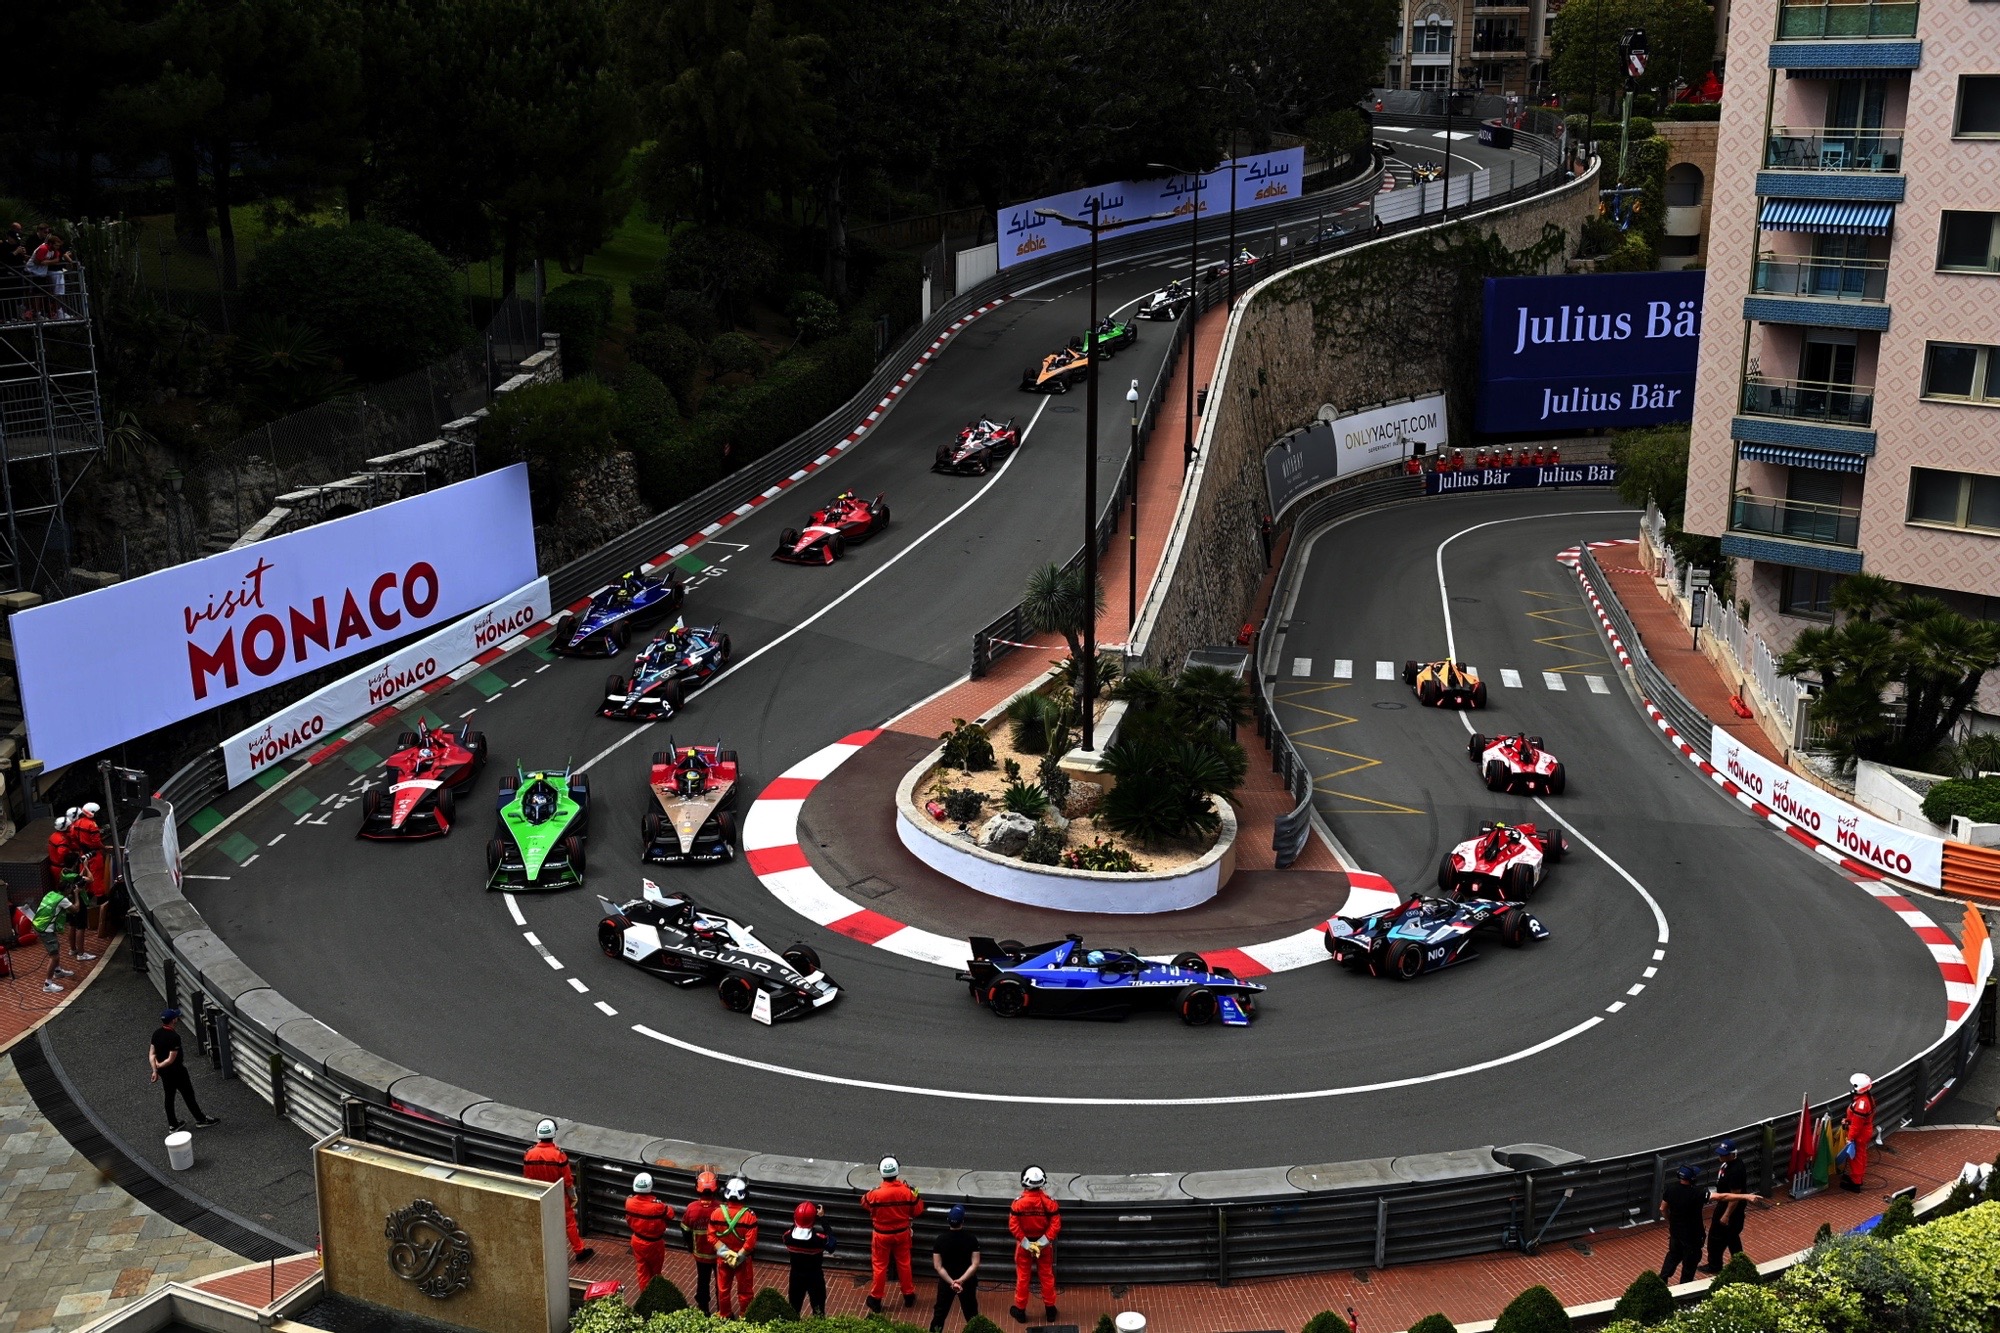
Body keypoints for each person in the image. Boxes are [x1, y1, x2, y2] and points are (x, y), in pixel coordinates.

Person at [522, 1120, 593, 1263]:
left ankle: (540, 1251)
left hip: (538, 1194)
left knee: (540, 1222)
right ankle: (579, 1251)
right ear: (553, 1133)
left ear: (538, 1134)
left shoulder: (529, 1154)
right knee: (569, 1223)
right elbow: (567, 1180)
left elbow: (527, 1178)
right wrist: (573, 1197)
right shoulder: (559, 1155)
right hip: (557, 1195)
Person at [861, 1155, 926, 1311]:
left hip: (881, 1235)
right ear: (897, 1171)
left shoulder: (874, 1194)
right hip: (902, 1234)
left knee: (880, 1266)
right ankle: (908, 1295)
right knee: (904, 1264)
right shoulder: (907, 1191)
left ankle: (876, 1298)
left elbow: (864, 1202)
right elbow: (917, 1210)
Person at [148, 1008, 219, 1130]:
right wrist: (159, 1066)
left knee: (169, 1097)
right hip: (177, 1072)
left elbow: (152, 1053)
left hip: (164, 1073)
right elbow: (171, 1059)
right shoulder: (174, 1037)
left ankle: (172, 1124)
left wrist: (155, 1069)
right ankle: (200, 1119)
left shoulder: (156, 1033)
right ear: (174, 1020)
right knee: (188, 1095)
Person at [1009, 1165, 1061, 1323]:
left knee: (1023, 1278)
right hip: (1044, 1247)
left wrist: (1027, 1244)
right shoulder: (1050, 1203)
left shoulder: (1018, 1204)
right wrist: (1041, 1243)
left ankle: (1020, 1311)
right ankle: (1050, 1310)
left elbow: (1013, 1226)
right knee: (1047, 1277)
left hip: (1025, 1246)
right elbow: (1055, 1225)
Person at [708, 1177, 758, 1319]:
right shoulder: (749, 1216)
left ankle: (724, 1314)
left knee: (723, 1289)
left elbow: (711, 1237)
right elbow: (750, 1243)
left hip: (723, 1258)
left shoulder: (716, 1213)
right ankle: (744, 1314)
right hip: (743, 1260)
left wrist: (727, 1255)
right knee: (745, 1290)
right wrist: (737, 1258)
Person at [1701, 1139, 1755, 1273]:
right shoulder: (1728, 1164)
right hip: (1725, 1203)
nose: (1720, 1156)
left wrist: (1726, 1215)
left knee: (1715, 1237)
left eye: (1724, 1154)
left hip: (1729, 1207)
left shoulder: (1735, 1170)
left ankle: (1715, 1266)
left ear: (1732, 1154)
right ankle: (1740, 1263)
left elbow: (1735, 1196)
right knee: (1732, 1237)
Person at [931, 1204, 981, 1332]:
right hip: (967, 1283)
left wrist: (952, 1282)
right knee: (972, 1314)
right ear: (963, 1221)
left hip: (946, 1283)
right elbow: (975, 1264)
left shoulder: (940, 1240)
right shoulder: (971, 1239)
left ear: (948, 1220)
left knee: (940, 1314)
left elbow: (938, 1266)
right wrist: (961, 1281)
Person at [625, 1172, 675, 1296]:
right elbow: (671, 1214)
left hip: (637, 1240)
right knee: (655, 1272)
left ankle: (645, 1297)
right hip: (654, 1244)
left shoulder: (629, 1201)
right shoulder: (657, 1206)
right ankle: (655, 1296)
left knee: (642, 1271)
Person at [785, 1201, 836, 1317]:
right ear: (813, 1220)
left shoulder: (787, 1238)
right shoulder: (819, 1240)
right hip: (815, 1277)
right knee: (818, 1312)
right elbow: (832, 1244)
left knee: (793, 1310)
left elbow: (793, 1229)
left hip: (796, 1277)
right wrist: (822, 1219)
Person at [1659, 1164, 1706, 1284]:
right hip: (1692, 1236)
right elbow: (1722, 1196)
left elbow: (1662, 1208)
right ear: (1692, 1179)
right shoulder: (1698, 1193)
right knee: (1690, 1263)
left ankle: (1662, 1279)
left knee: (1673, 1255)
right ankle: (1684, 1288)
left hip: (1675, 1232)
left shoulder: (1671, 1189)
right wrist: (1745, 1196)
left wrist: (1671, 1221)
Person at [684, 1170, 722, 1313]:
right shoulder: (721, 1208)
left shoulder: (691, 1208)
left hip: (700, 1253)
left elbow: (685, 1230)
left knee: (702, 1281)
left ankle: (703, 1309)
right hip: (718, 1254)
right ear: (715, 1188)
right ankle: (722, 1310)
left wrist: (690, 1247)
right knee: (721, 1283)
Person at [31, 888, 73, 993]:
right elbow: (75, 909)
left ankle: (58, 971)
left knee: (56, 947)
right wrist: (76, 894)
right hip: (46, 929)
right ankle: (47, 984)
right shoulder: (62, 899)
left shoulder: (51, 894)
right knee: (54, 956)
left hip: (40, 925)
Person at [1840, 1073, 1876, 1191]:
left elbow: (1857, 1125)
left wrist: (1850, 1138)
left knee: (1856, 1158)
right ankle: (1856, 1178)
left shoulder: (1861, 1104)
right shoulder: (1867, 1099)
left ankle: (1856, 1182)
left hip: (1859, 1134)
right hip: (1864, 1131)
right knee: (1860, 1156)